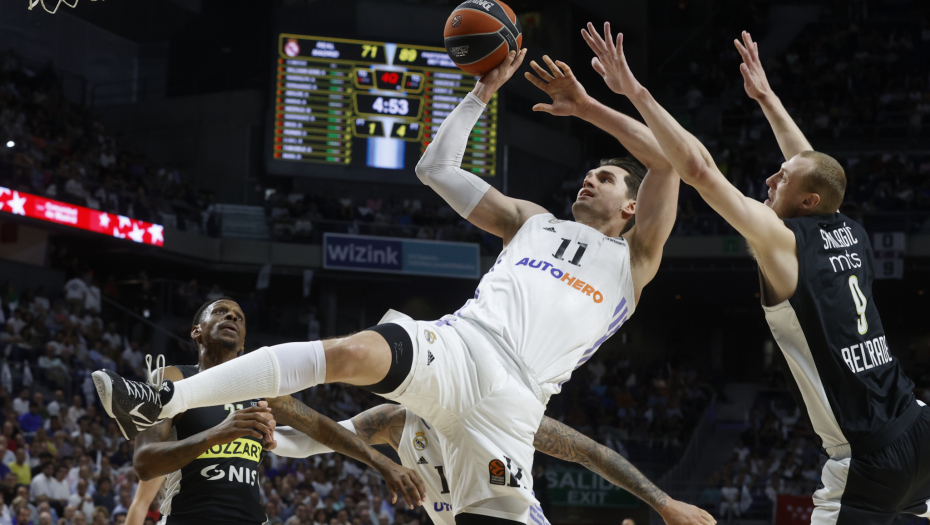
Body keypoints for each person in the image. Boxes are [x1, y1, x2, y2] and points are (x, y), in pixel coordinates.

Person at [95, 41, 682, 524]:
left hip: (517, 399)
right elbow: (435, 170)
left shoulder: (636, 259)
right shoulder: (531, 221)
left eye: (602, 178)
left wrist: (587, 108)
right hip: (460, 344)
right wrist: (481, 92)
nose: (588, 180)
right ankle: (165, 397)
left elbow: (667, 162)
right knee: (351, 351)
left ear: (631, 207)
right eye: (587, 172)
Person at [590, 21, 929, 525]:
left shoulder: (782, 240)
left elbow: (702, 172)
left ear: (808, 201)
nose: (771, 177)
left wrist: (634, 91)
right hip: (916, 426)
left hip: (867, 456)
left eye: (782, 178)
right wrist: (767, 98)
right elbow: (809, 164)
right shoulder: (850, 230)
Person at [125, 298, 424, 525]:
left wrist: (383, 462)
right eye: (220, 312)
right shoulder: (172, 380)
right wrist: (218, 434)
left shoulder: (260, 389)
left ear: (243, 344)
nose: (231, 316)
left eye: (239, 317)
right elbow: (144, 464)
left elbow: (321, 427)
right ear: (196, 331)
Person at [270, 400, 713, 525]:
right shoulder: (392, 420)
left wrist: (662, 502)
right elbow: (312, 442)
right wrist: (265, 435)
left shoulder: (500, 410)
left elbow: (591, 452)